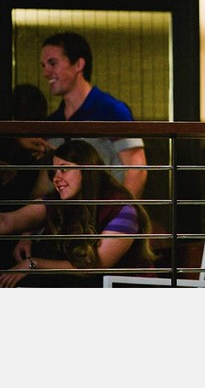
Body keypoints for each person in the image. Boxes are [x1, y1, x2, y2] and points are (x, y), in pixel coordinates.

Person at [0, 140, 155, 288]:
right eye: (54, 172)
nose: (56, 179)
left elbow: (94, 266)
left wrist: (35, 264)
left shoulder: (122, 209)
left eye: (64, 169)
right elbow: (6, 222)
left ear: (86, 169)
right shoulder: (56, 201)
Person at [30, 31, 147, 199]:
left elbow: (137, 169)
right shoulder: (54, 121)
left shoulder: (111, 111)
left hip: (105, 211)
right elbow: (45, 183)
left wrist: (121, 212)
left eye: (53, 63)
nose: (46, 73)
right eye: (43, 66)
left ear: (79, 64)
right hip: (67, 213)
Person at [0, 84, 51, 269]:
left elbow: (40, 196)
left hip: (20, 224)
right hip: (21, 225)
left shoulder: (39, 149)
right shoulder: (36, 149)